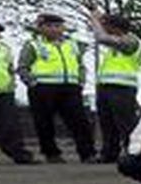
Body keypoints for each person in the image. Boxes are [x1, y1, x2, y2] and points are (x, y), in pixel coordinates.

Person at [17, 13, 96, 163]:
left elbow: (80, 65)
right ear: (40, 28)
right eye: (49, 26)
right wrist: (32, 82)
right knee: (44, 123)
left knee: (79, 121)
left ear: (63, 28)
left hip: (70, 88)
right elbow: (23, 67)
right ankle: (52, 154)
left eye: (58, 26)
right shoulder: (33, 45)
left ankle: (87, 153)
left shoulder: (72, 44)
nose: (54, 29)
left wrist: (80, 81)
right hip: (43, 88)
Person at [89, 10, 141, 163]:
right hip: (106, 86)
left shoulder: (131, 41)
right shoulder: (115, 45)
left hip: (122, 87)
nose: (104, 28)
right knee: (107, 123)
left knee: (126, 122)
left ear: (116, 28)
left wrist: (95, 21)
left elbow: (101, 38)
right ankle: (109, 153)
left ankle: (134, 152)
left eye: (107, 26)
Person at [0, 17, 37, 164]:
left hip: (3, 92)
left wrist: (11, 84)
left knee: (9, 125)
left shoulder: (4, 48)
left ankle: (20, 155)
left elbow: (9, 68)